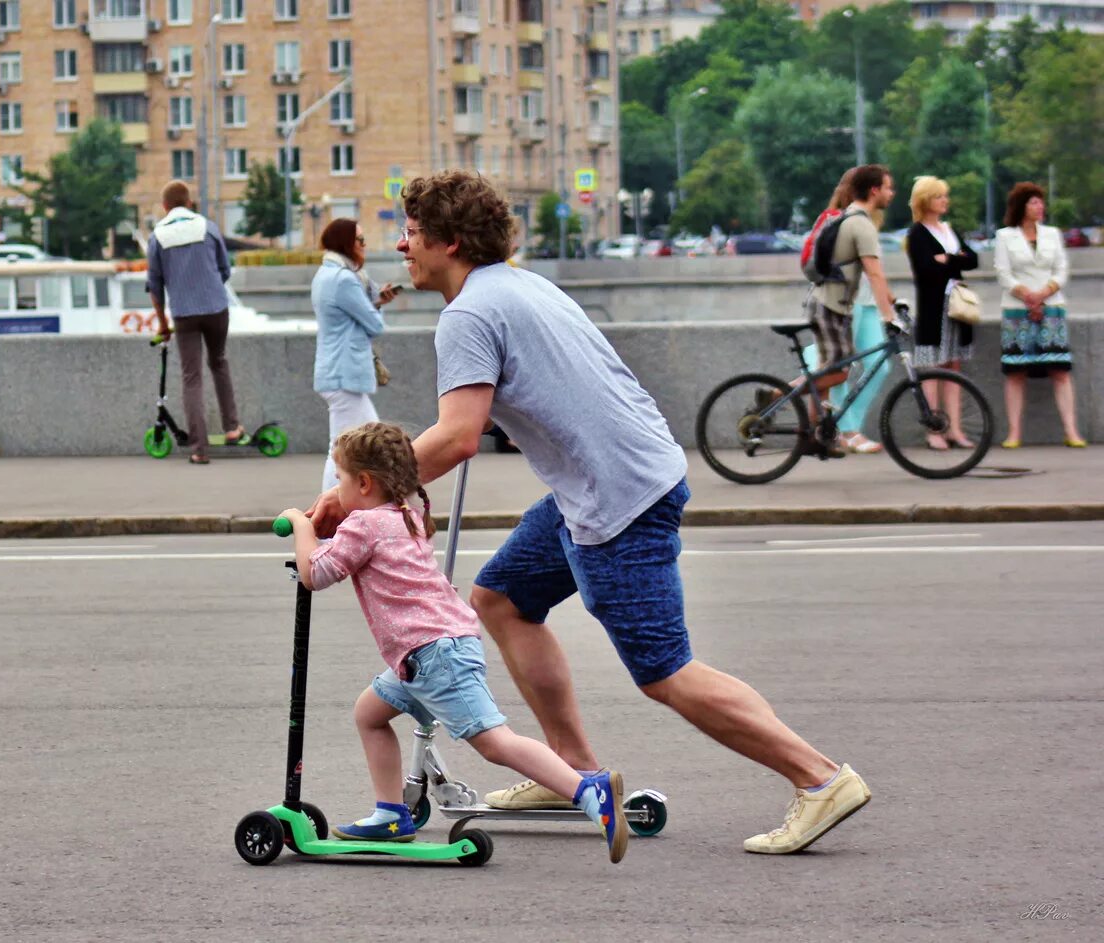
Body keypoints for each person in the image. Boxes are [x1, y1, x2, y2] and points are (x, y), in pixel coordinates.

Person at [307, 171, 872, 855]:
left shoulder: (468, 314)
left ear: (449, 241)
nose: (403, 244)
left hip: (616, 497)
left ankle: (817, 777)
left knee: (665, 669)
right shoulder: (521, 284)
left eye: (414, 233)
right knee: (503, 597)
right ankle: (571, 767)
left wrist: (350, 498)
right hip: (618, 476)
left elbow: (457, 434)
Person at [280, 421, 628, 863]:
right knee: (370, 713)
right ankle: (390, 813)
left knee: (493, 742)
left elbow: (316, 573)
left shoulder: (365, 525)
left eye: (341, 480)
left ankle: (586, 788)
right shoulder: (402, 514)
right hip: (424, 653)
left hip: (433, 654)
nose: (336, 490)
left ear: (364, 483)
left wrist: (299, 522)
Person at [803, 164, 903, 457]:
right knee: (837, 369)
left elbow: (876, 273)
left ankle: (842, 427)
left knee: (876, 365)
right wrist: (890, 316)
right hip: (847, 303)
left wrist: (892, 302)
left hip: (868, 301)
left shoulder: (864, 221)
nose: (891, 193)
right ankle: (845, 430)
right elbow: (872, 272)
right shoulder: (848, 221)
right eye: (887, 187)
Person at [146, 180, 244, 465]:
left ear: (165, 207)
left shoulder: (158, 236)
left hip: (184, 314)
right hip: (216, 309)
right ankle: (232, 428)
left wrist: (163, 324)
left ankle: (199, 449)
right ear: (189, 202)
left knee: (192, 377)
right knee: (219, 362)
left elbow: (155, 286)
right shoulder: (208, 227)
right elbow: (224, 270)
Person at [994, 182, 1085, 448]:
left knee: (1060, 370)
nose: (1040, 207)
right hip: (1016, 309)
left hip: (1052, 307)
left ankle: (1071, 431)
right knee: (1015, 372)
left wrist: (1043, 293)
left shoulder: (1053, 234)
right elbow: (1003, 272)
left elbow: (1061, 269)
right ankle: (1014, 433)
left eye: (1041, 202)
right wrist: (1027, 296)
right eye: (1034, 202)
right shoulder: (1004, 236)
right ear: (1021, 206)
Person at [311, 218, 400, 492]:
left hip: (335, 371)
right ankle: (330, 514)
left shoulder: (326, 274)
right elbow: (374, 324)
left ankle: (337, 513)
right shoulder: (344, 280)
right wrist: (378, 306)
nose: (364, 246)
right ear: (347, 244)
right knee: (343, 448)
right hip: (344, 373)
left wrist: (375, 302)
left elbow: (351, 318)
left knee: (348, 444)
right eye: (360, 241)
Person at [905, 176, 980, 450]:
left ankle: (955, 429)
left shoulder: (950, 230)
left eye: (944, 196)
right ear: (925, 201)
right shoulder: (917, 234)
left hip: (957, 307)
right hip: (934, 308)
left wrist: (948, 259)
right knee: (934, 367)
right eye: (939, 196)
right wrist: (955, 260)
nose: (944, 201)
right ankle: (934, 429)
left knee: (954, 366)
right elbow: (926, 269)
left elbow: (972, 259)